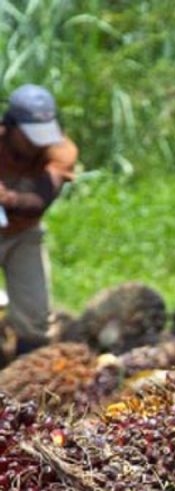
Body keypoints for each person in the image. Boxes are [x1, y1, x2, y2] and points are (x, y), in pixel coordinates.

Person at [0, 84, 78, 355]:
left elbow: (38, 202)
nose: (39, 143)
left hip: (24, 234)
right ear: (10, 127)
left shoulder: (59, 151)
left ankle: (23, 381)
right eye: (30, 136)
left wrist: (7, 199)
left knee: (35, 317)